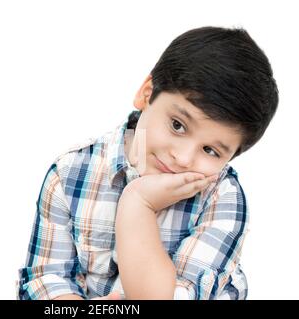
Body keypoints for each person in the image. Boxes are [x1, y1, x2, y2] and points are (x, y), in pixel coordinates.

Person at [17, 26, 279, 300]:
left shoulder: (222, 198)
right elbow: (46, 278)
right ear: (146, 93)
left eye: (210, 150)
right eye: (178, 125)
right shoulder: (71, 173)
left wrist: (138, 203)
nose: (183, 157)